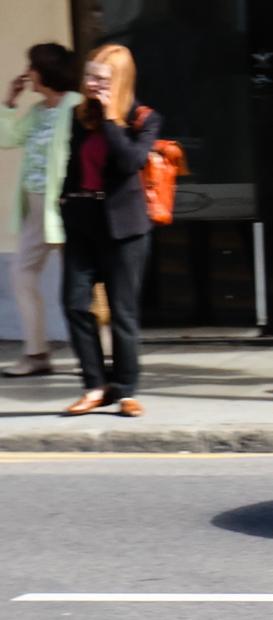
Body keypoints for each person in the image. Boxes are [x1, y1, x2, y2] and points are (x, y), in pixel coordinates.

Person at [56, 44, 161, 417]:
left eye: (101, 79)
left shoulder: (143, 118)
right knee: (73, 303)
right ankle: (94, 386)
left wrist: (113, 118)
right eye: (90, 76)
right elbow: (72, 162)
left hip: (125, 225)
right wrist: (65, 202)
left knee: (123, 313)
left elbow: (130, 160)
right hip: (83, 219)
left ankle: (126, 389)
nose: (92, 84)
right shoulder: (78, 115)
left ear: (119, 81)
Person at [2, 42, 81, 375]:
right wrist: (10, 101)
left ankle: (101, 355)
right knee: (22, 272)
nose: (27, 73)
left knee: (84, 280)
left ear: (46, 71)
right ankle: (36, 354)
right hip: (37, 208)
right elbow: (7, 138)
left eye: (31, 67)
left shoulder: (77, 106)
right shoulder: (37, 111)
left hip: (67, 206)